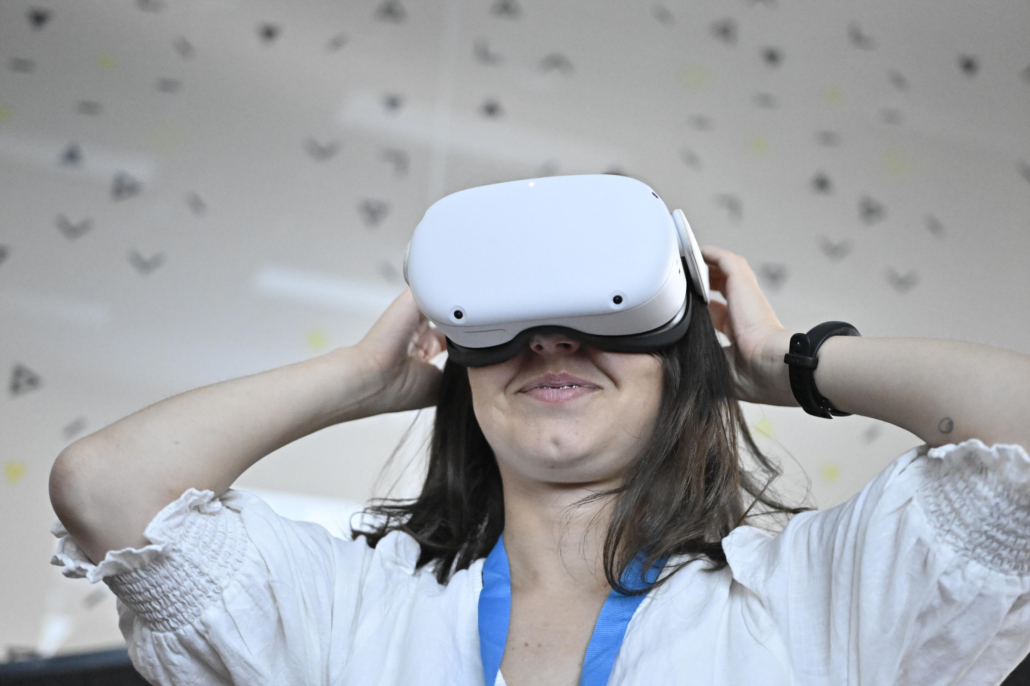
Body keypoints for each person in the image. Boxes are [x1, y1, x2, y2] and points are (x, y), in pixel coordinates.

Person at [49, 244, 1030, 685]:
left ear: (679, 362)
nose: (551, 343)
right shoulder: (348, 610)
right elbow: (106, 486)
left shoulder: (817, 601)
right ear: (465, 371)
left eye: (605, 315)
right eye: (510, 327)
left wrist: (788, 360)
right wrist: (360, 377)